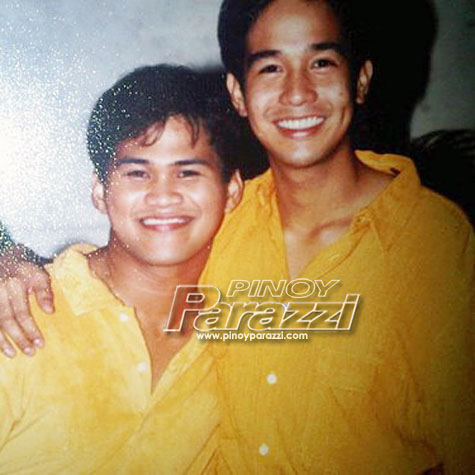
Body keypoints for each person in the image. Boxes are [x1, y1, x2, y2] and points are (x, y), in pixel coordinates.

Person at [1, 0, 474, 473]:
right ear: (239, 92)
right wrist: (9, 256)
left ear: (361, 79)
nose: (297, 93)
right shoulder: (224, 225)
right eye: (270, 67)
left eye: (322, 62)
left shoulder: (432, 241)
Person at [0, 63, 242, 473]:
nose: (163, 195)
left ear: (232, 191)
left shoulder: (244, 337)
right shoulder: (21, 313)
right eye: (137, 173)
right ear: (100, 191)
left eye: (187, 172)